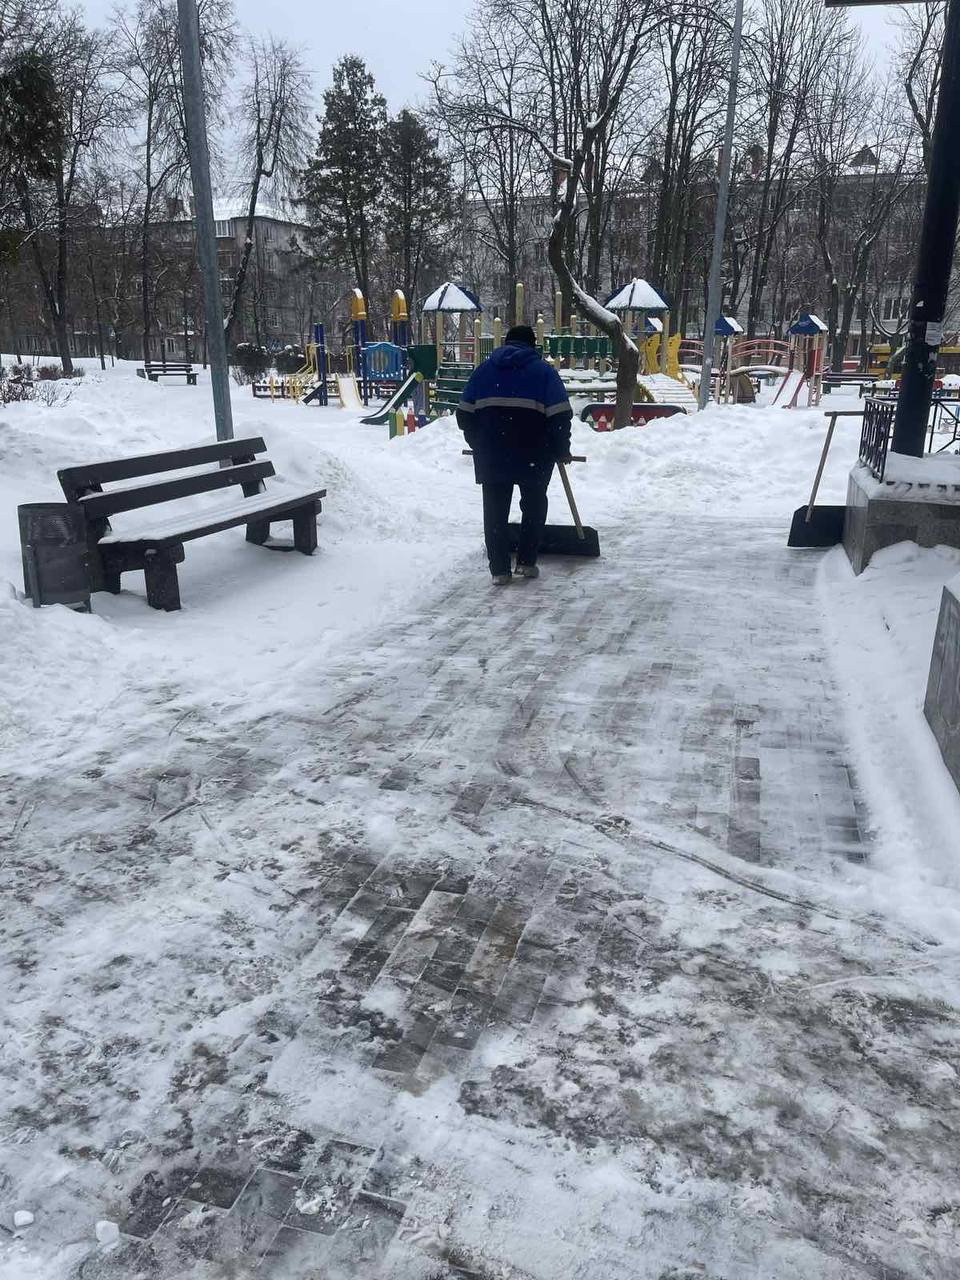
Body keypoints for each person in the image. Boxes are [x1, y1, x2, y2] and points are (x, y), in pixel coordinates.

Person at [456, 324, 573, 585]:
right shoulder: (544, 373)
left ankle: (499, 570)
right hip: (535, 452)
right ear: (532, 346)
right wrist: (561, 448)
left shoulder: (484, 371)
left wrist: (478, 442)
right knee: (533, 504)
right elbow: (560, 416)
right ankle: (526, 563)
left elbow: (464, 413)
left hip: (492, 454)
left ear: (506, 343)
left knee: (494, 510)